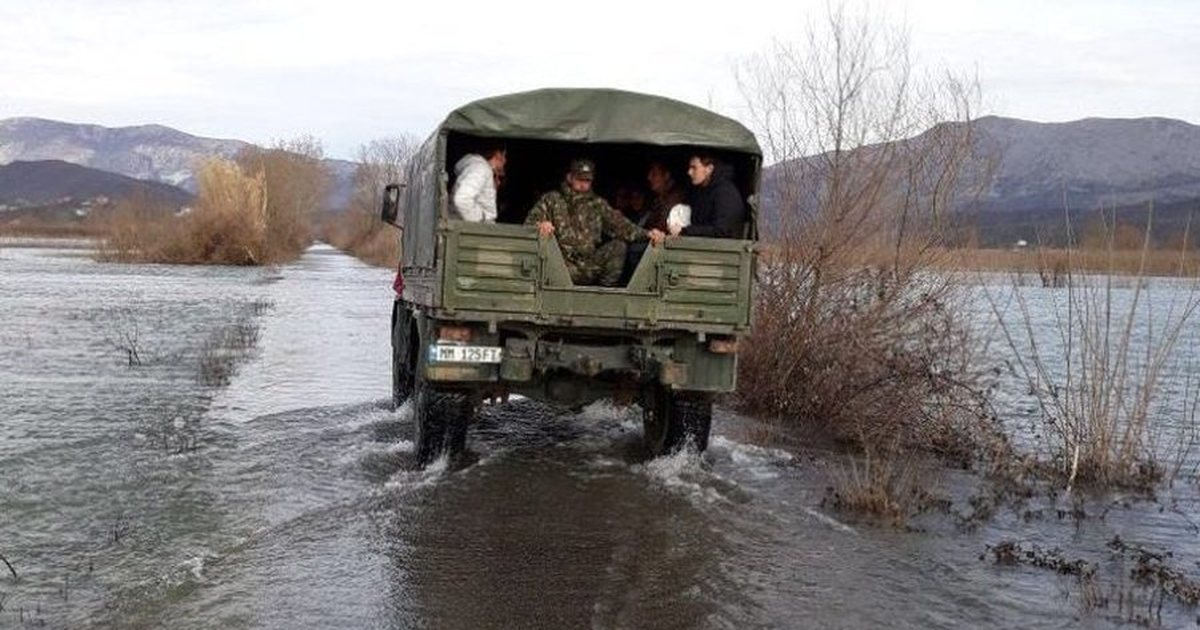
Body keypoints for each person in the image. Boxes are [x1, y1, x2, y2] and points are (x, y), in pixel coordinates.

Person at [526, 159, 666, 286]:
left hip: (587, 265)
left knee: (619, 246)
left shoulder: (597, 204)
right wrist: (540, 226)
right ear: (569, 177)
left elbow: (622, 227)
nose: (582, 185)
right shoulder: (552, 200)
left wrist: (648, 234)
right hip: (559, 266)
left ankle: (604, 295)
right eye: (579, 179)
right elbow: (529, 224)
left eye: (587, 181)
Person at [675, 153, 746, 238]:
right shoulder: (700, 192)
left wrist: (686, 231)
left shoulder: (725, 193)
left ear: (709, 169)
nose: (689, 172)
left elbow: (722, 231)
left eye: (694, 168)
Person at [450, 145, 506, 222]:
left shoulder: (480, 168)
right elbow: (462, 199)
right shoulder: (481, 169)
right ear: (498, 154)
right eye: (504, 155)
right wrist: (481, 219)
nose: (505, 160)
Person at [644, 161, 685, 232]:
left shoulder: (675, 199)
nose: (649, 177)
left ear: (666, 175)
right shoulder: (657, 199)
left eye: (654, 174)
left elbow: (661, 228)